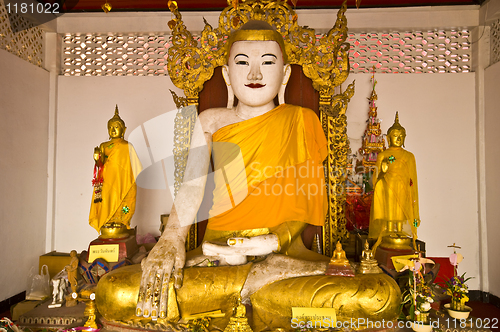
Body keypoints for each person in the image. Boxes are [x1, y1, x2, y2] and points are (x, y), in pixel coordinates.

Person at [96, 21, 401, 330]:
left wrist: (273, 243)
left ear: (285, 75)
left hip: (282, 250)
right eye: (243, 63)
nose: (254, 75)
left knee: (378, 296)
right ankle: (263, 283)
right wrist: (171, 239)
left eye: (267, 63)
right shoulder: (210, 121)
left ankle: (271, 273)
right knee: (115, 291)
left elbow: (307, 200)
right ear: (228, 75)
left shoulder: (300, 120)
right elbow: (192, 187)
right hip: (218, 257)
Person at [369, 112, 419, 251]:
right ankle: (389, 229)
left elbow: (413, 178)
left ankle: (400, 229)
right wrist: (384, 167)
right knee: (390, 208)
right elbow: (377, 177)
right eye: (395, 136)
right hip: (388, 186)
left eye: (401, 136)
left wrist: (412, 193)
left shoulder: (409, 156)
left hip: (403, 187)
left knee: (401, 208)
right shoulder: (383, 155)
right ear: (389, 138)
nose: (398, 138)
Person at [89, 106, 142, 237]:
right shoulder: (104, 146)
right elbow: (100, 166)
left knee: (123, 201)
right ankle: (108, 221)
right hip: (107, 181)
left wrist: (129, 180)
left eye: (116, 126)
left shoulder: (127, 146)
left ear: (124, 130)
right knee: (107, 201)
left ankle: (121, 221)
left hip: (123, 181)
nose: (113, 130)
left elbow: (136, 167)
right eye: (110, 127)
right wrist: (97, 159)